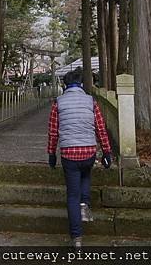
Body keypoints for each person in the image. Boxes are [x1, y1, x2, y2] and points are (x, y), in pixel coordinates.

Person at [47, 67, 112, 247]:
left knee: (72, 195)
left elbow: (53, 133)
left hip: (69, 153)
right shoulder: (91, 101)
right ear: (81, 84)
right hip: (89, 151)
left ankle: (76, 238)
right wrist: (106, 152)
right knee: (86, 174)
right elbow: (101, 128)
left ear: (65, 85)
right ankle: (85, 205)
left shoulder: (57, 103)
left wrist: (51, 154)